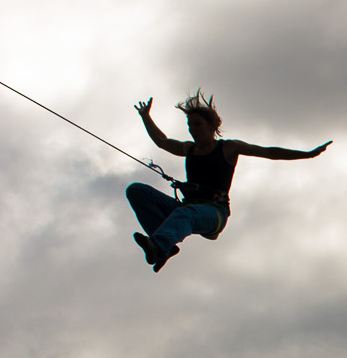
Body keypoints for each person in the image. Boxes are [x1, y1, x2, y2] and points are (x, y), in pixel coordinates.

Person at [125, 92, 330, 271]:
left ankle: (159, 244)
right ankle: (162, 246)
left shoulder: (228, 148)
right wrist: (146, 117)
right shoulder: (189, 149)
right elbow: (162, 141)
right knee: (136, 191)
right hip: (188, 209)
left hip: (215, 214)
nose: (192, 129)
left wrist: (307, 154)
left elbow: (268, 152)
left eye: (197, 124)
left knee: (187, 213)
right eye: (189, 125)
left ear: (211, 126)